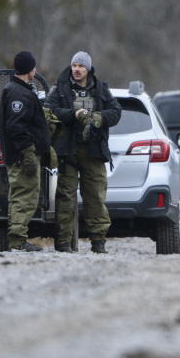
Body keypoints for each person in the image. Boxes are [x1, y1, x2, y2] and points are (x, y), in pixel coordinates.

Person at [48, 51, 121, 253]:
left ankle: (98, 241)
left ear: (88, 69)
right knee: (65, 198)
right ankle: (64, 242)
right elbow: (51, 109)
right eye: (74, 66)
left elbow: (116, 112)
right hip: (68, 151)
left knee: (96, 197)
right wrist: (73, 114)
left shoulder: (101, 89)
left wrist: (99, 118)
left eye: (81, 66)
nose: (77, 69)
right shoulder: (60, 89)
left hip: (93, 150)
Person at [0, 50, 51, 252]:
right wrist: (28, 152)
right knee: (25, 196)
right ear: (29, 69)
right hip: (21, 157)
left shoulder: (18, 89)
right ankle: (17, 240)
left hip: (19, 155)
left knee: (21, 195)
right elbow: (16, 127)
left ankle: (17, 237)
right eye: (33, 67)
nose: (35, 71)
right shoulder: (18, 94)